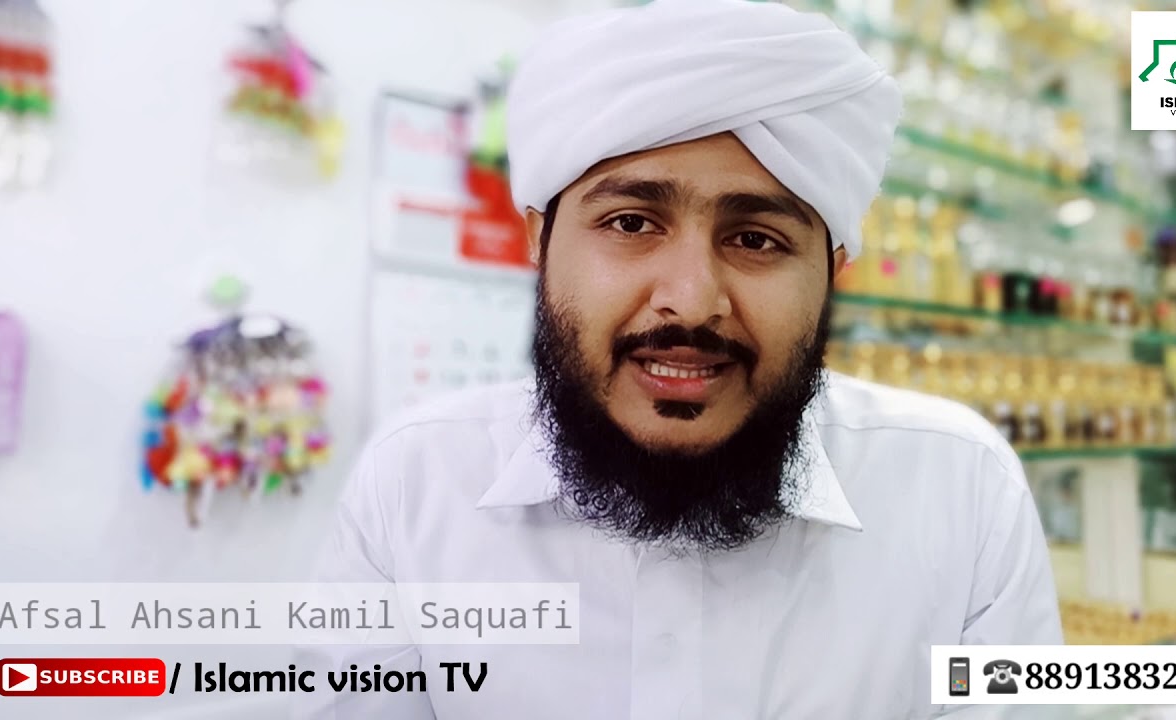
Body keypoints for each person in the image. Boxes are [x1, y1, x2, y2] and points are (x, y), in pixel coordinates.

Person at [299, 0, 1063, 717]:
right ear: (538, 239)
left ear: (834, 273)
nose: (693, 302)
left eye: (756, 240)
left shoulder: (963, 493)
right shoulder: (412, 488)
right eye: (631, 223)